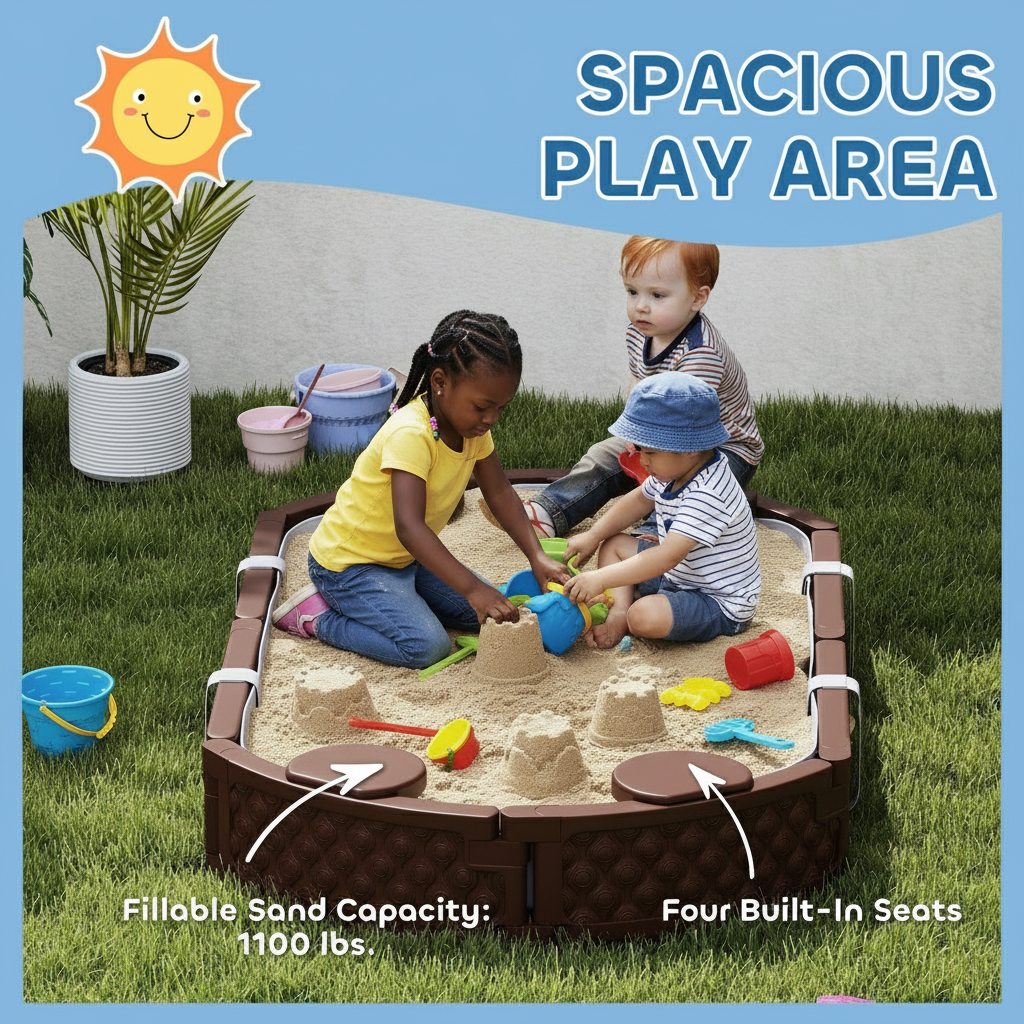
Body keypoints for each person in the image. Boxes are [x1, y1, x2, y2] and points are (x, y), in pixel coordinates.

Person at [273, 310, 569, 669]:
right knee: (427, 646)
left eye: (501, 408)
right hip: (349, 565)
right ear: (440, 381)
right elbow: (410, 528)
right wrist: (474, 589)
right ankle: (317, 618)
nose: (491, 418)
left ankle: (401, 599)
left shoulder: (473, 430)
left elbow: (501, 493)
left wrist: (536, 555)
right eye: (482, 406)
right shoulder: (411, 434)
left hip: (403, 560)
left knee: (482, 611)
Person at [486, 235, 762, 539]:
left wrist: (650, 451)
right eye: (632, 291)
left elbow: (688, 431)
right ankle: (547, 513)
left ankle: (652, 538)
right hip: (660, 432)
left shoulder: (701, 354)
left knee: (685, 487)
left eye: (657, 295)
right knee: (602, 457)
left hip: (718, 447)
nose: (641, 306)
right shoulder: (640, 333)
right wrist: (636, 438)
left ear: (697, 298)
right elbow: (638, 382)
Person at [562, 373, 760, 649]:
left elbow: (667, 556)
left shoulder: (708, 493)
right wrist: (593, 536)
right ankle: (619, 612)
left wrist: (600, 578)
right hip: (680, 573)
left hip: (715, 599)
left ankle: (629, 610)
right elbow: (638, 500)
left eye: (650, 452)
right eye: (640, 448)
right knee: (615, 545)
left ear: (689, 448)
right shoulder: (676, 471)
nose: (641, 459)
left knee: (643, 616)